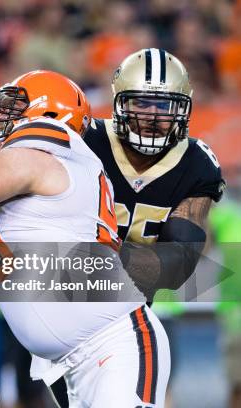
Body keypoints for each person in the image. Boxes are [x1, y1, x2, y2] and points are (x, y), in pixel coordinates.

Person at [0, 70, 171, 407]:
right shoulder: (36, 185)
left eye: (14, 109)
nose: (1, 119)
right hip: (73, 363)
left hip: (113, 346)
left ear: (48, 116)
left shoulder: (36, 159)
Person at [48, 48, 226, 407]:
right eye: (141, 104)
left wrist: (85, 256)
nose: (152, 117)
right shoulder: (82, 140)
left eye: (164, 106)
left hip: (125, 314)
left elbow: (176, 264)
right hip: (57, 310)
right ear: (118, 102)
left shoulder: (196, 164)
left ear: (184, 109)